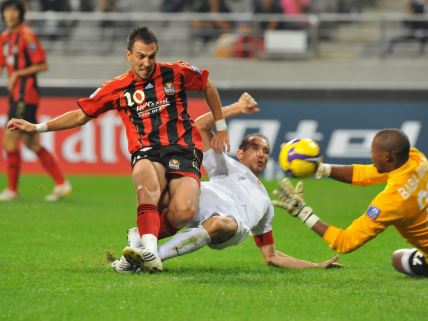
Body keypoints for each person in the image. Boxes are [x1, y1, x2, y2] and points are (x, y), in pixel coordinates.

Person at [7, 25, 230, 273]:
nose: (146, 63)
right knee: (148, 184)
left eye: (151, 56)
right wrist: (37, 127)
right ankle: (151, 254)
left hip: (184, 150)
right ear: (128, 55)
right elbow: (81, 115)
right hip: (147, 151)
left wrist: (220, 127)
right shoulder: (116, 87)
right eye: (140, 56)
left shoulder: (176, 73)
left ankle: (139, 239)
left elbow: (207, 85)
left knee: (184, 211)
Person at [113, 92, 342, 273]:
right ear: (240, 153)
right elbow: (199, 126)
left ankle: (155, 256)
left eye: (266, 151)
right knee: (164, 179)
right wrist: (237, 108)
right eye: (255, 147)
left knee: (221, 223)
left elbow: (271, 256)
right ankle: (139, 241)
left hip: (231, 224)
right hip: (197, 201)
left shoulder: (265, 204)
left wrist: (316, 266)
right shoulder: (224, 165)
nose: (262, 154)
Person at [272, 129, 428, 277]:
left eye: (373, 152)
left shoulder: (392, 202)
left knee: (397, 258)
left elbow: (345, 242)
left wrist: (303, 212)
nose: (371, 155)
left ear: (387, 157)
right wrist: (320, 169)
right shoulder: (416, 158)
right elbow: (366, 174)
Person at [0, 0, 71, 201]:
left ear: (20, 14)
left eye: (14, 11)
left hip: (26, 95)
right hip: (15, 96)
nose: (11, 15)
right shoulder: (4, 38)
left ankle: (12, 189)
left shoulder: (26, 35)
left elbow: (42, 65)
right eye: (7, 11)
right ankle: (61, 184)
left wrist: (17, 74)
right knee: (31, 143)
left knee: (10, 138)